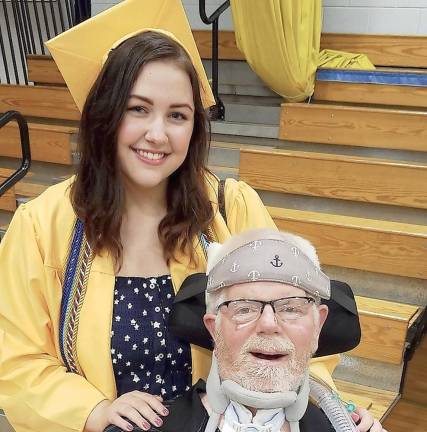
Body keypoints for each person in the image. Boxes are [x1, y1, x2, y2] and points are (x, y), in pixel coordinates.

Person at [0, 1, 379, 432]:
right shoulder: (43, 226)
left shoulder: (229, 208)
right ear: (104, 115)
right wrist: (92, 410)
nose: (157, 134)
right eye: (137, 108)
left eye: (177, 115)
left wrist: (327, 408)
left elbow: (300, 319)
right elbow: (17, 359)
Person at [105, 229, 385, 432]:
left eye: (291, 308)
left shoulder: (345, 428)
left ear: (318, 325)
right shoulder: (145, 427)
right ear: (213, 327)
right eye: (244, 308)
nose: (268, 324)